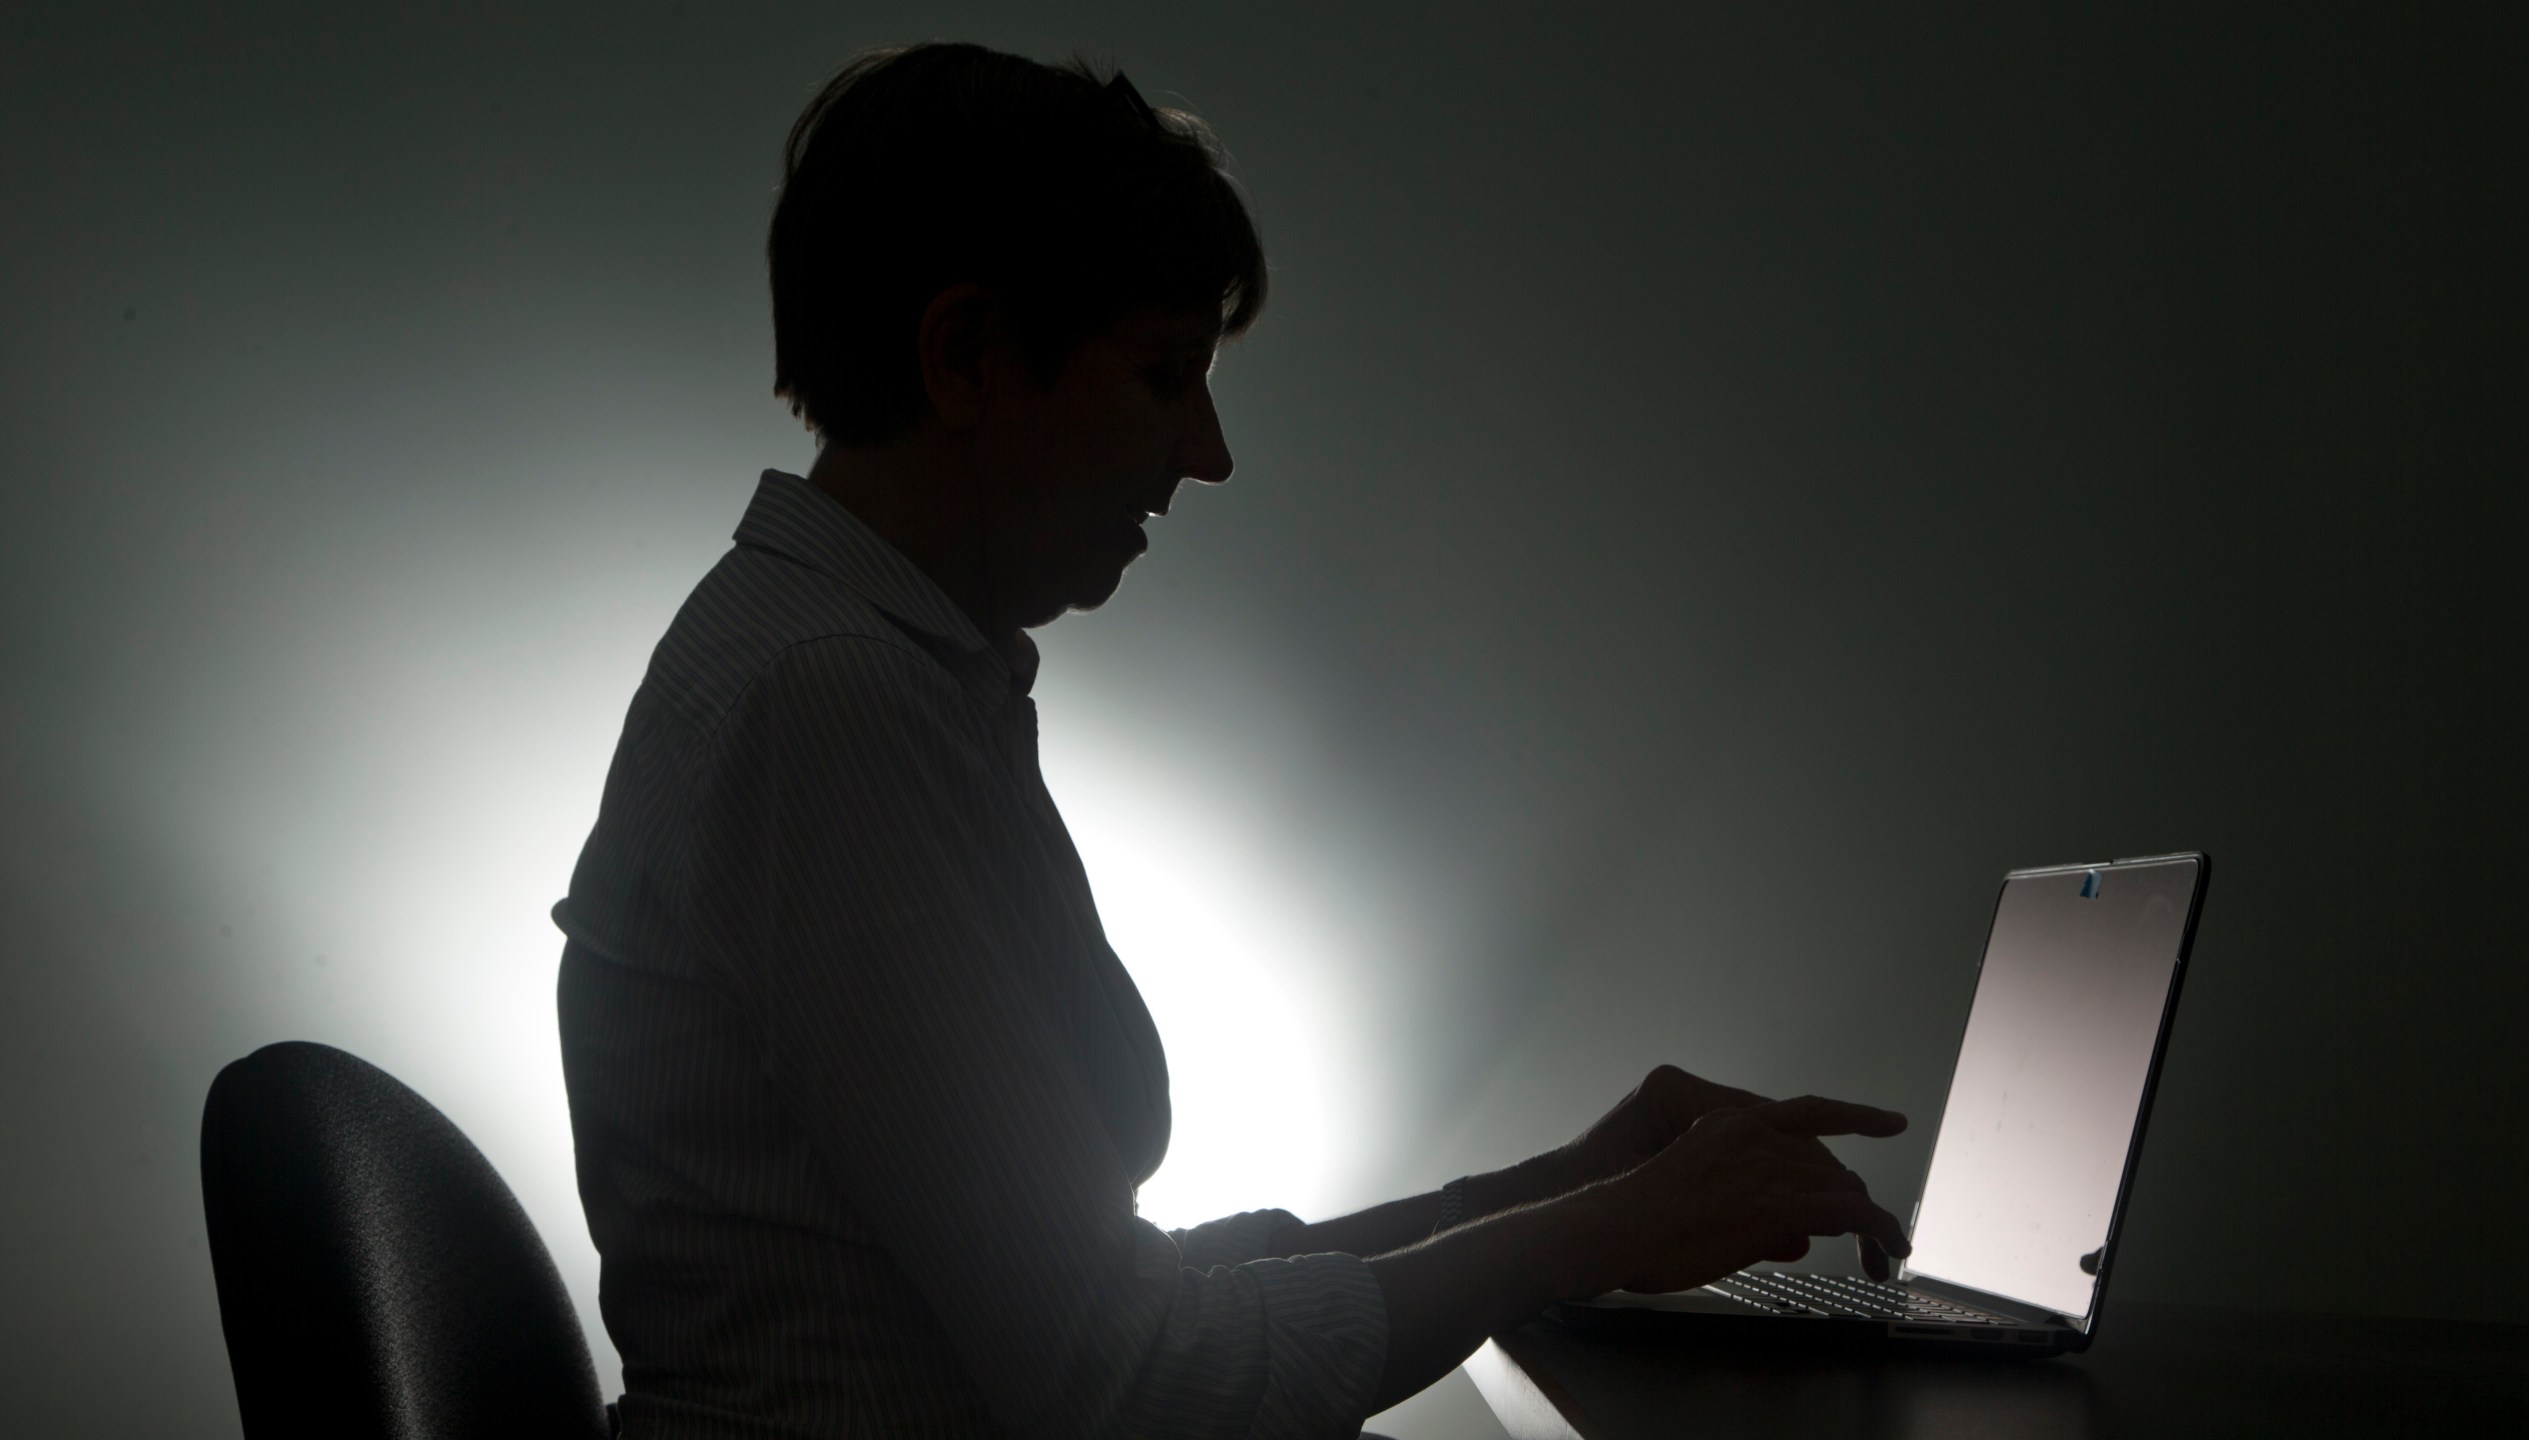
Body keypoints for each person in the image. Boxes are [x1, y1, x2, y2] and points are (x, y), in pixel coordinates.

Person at [554, 41, 1911, 1439]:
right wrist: (1591, 1236)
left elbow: (1110, 1311)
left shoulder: (860, 669)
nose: (1206, 451)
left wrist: (1563, 1192)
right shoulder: (828, 703)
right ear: (966, 357)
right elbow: (1136, 1383)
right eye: (1161, 374)